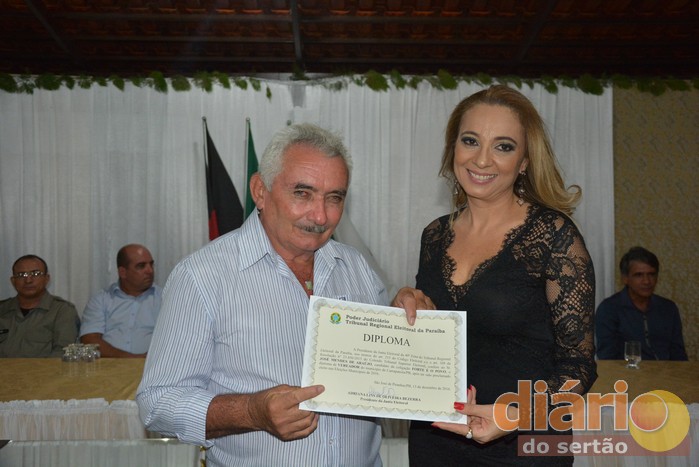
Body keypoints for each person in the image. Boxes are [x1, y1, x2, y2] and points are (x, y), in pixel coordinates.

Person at [138, 123, 424, 467]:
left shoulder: (357, 267)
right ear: (260, 191)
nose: (320, 215)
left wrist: (407, 320)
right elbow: (157, 403)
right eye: (302, 193)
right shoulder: (202, 276)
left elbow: (382, 371)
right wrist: (252, 411)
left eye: (334, 198)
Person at [404, 85, 597, 466]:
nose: (482, 159)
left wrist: (516, 415)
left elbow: (579, 367)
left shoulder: (554, 236)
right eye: (470, 141)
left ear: (524, 162)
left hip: (524, 447)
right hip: (435, 440)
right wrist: (407, 307)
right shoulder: (434, 235)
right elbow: (434, 338)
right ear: (453, 148)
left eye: (503, 146)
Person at [595, 246, 687, 361]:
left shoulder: (668, 308)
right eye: (639, 275)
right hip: (627, 371)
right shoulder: (609, 309)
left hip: (666, 371)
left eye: (651, 274)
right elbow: (607, 357)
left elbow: (679, 355)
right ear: (625, 278)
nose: (647, 281)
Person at [80, 244, 162, 358]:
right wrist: (131, 359)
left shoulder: (165, 299)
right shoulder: (101, 300)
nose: (149, 270)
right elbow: (90, 340)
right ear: (123, 272)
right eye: (141, 266)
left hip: (153, 366)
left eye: (151, 264)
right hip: (108, 366)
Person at [0, 255, 80, 357]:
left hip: (45, 367)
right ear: (13, 281)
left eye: (35, 274)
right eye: (21, 275)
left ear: (46, 279)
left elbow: (62, 352)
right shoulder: (2, 309)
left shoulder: (62, 311)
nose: (28, 280)